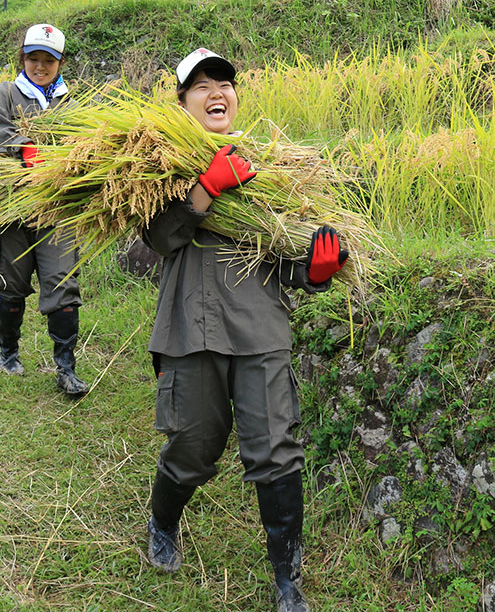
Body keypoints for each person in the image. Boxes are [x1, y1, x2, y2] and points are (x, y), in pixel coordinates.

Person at [142, 48, 348, 612]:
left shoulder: (272, 167)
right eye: (201, 85)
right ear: (181, 101)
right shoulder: (155, 165)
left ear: (236, 96)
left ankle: (288, 580)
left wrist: (314, 270)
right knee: (192, 448)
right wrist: (204, 190)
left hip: (260, 329)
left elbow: (286, 254)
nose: (216, 92)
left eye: (225, 84)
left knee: (276, 452)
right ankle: (163, 523)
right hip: (190, 329)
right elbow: (150, 244)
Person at [0, 23, 88, 396]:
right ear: (22, 58)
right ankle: (9, 354)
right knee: (12, 283)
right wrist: (24, 148)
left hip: (55, 210)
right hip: (10, 209)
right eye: (33, 58)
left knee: (62, 282)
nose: (41, 66)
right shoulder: (5, 94)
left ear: (60, 63)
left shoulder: (71, 106)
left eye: (49, 60)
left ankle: (66, 368)